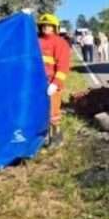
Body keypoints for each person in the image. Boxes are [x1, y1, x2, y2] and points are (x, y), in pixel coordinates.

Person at [37, 13, 70, 147]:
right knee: (39, 113)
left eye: (49, 26)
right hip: (37, 84)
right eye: (43, 25)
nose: (46, 28)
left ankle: (56, 138)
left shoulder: (60, 43)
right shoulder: (35, 41)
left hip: (52, 85)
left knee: (53, 114)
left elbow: (63, 67)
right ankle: (42, 138)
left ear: (55, 28)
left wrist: (55, 84)